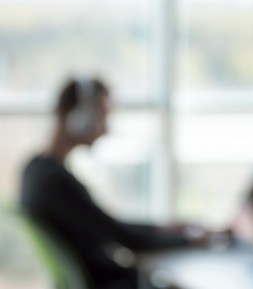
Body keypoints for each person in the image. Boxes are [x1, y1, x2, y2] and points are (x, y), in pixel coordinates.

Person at [20, 77, 217, 289]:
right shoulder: (55, 183)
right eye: (102, 115)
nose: (105, 129)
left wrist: (163, 229)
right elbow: (123, 237)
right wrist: (189, 240)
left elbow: (106, 224)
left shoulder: (36, 169)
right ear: (79, 117)